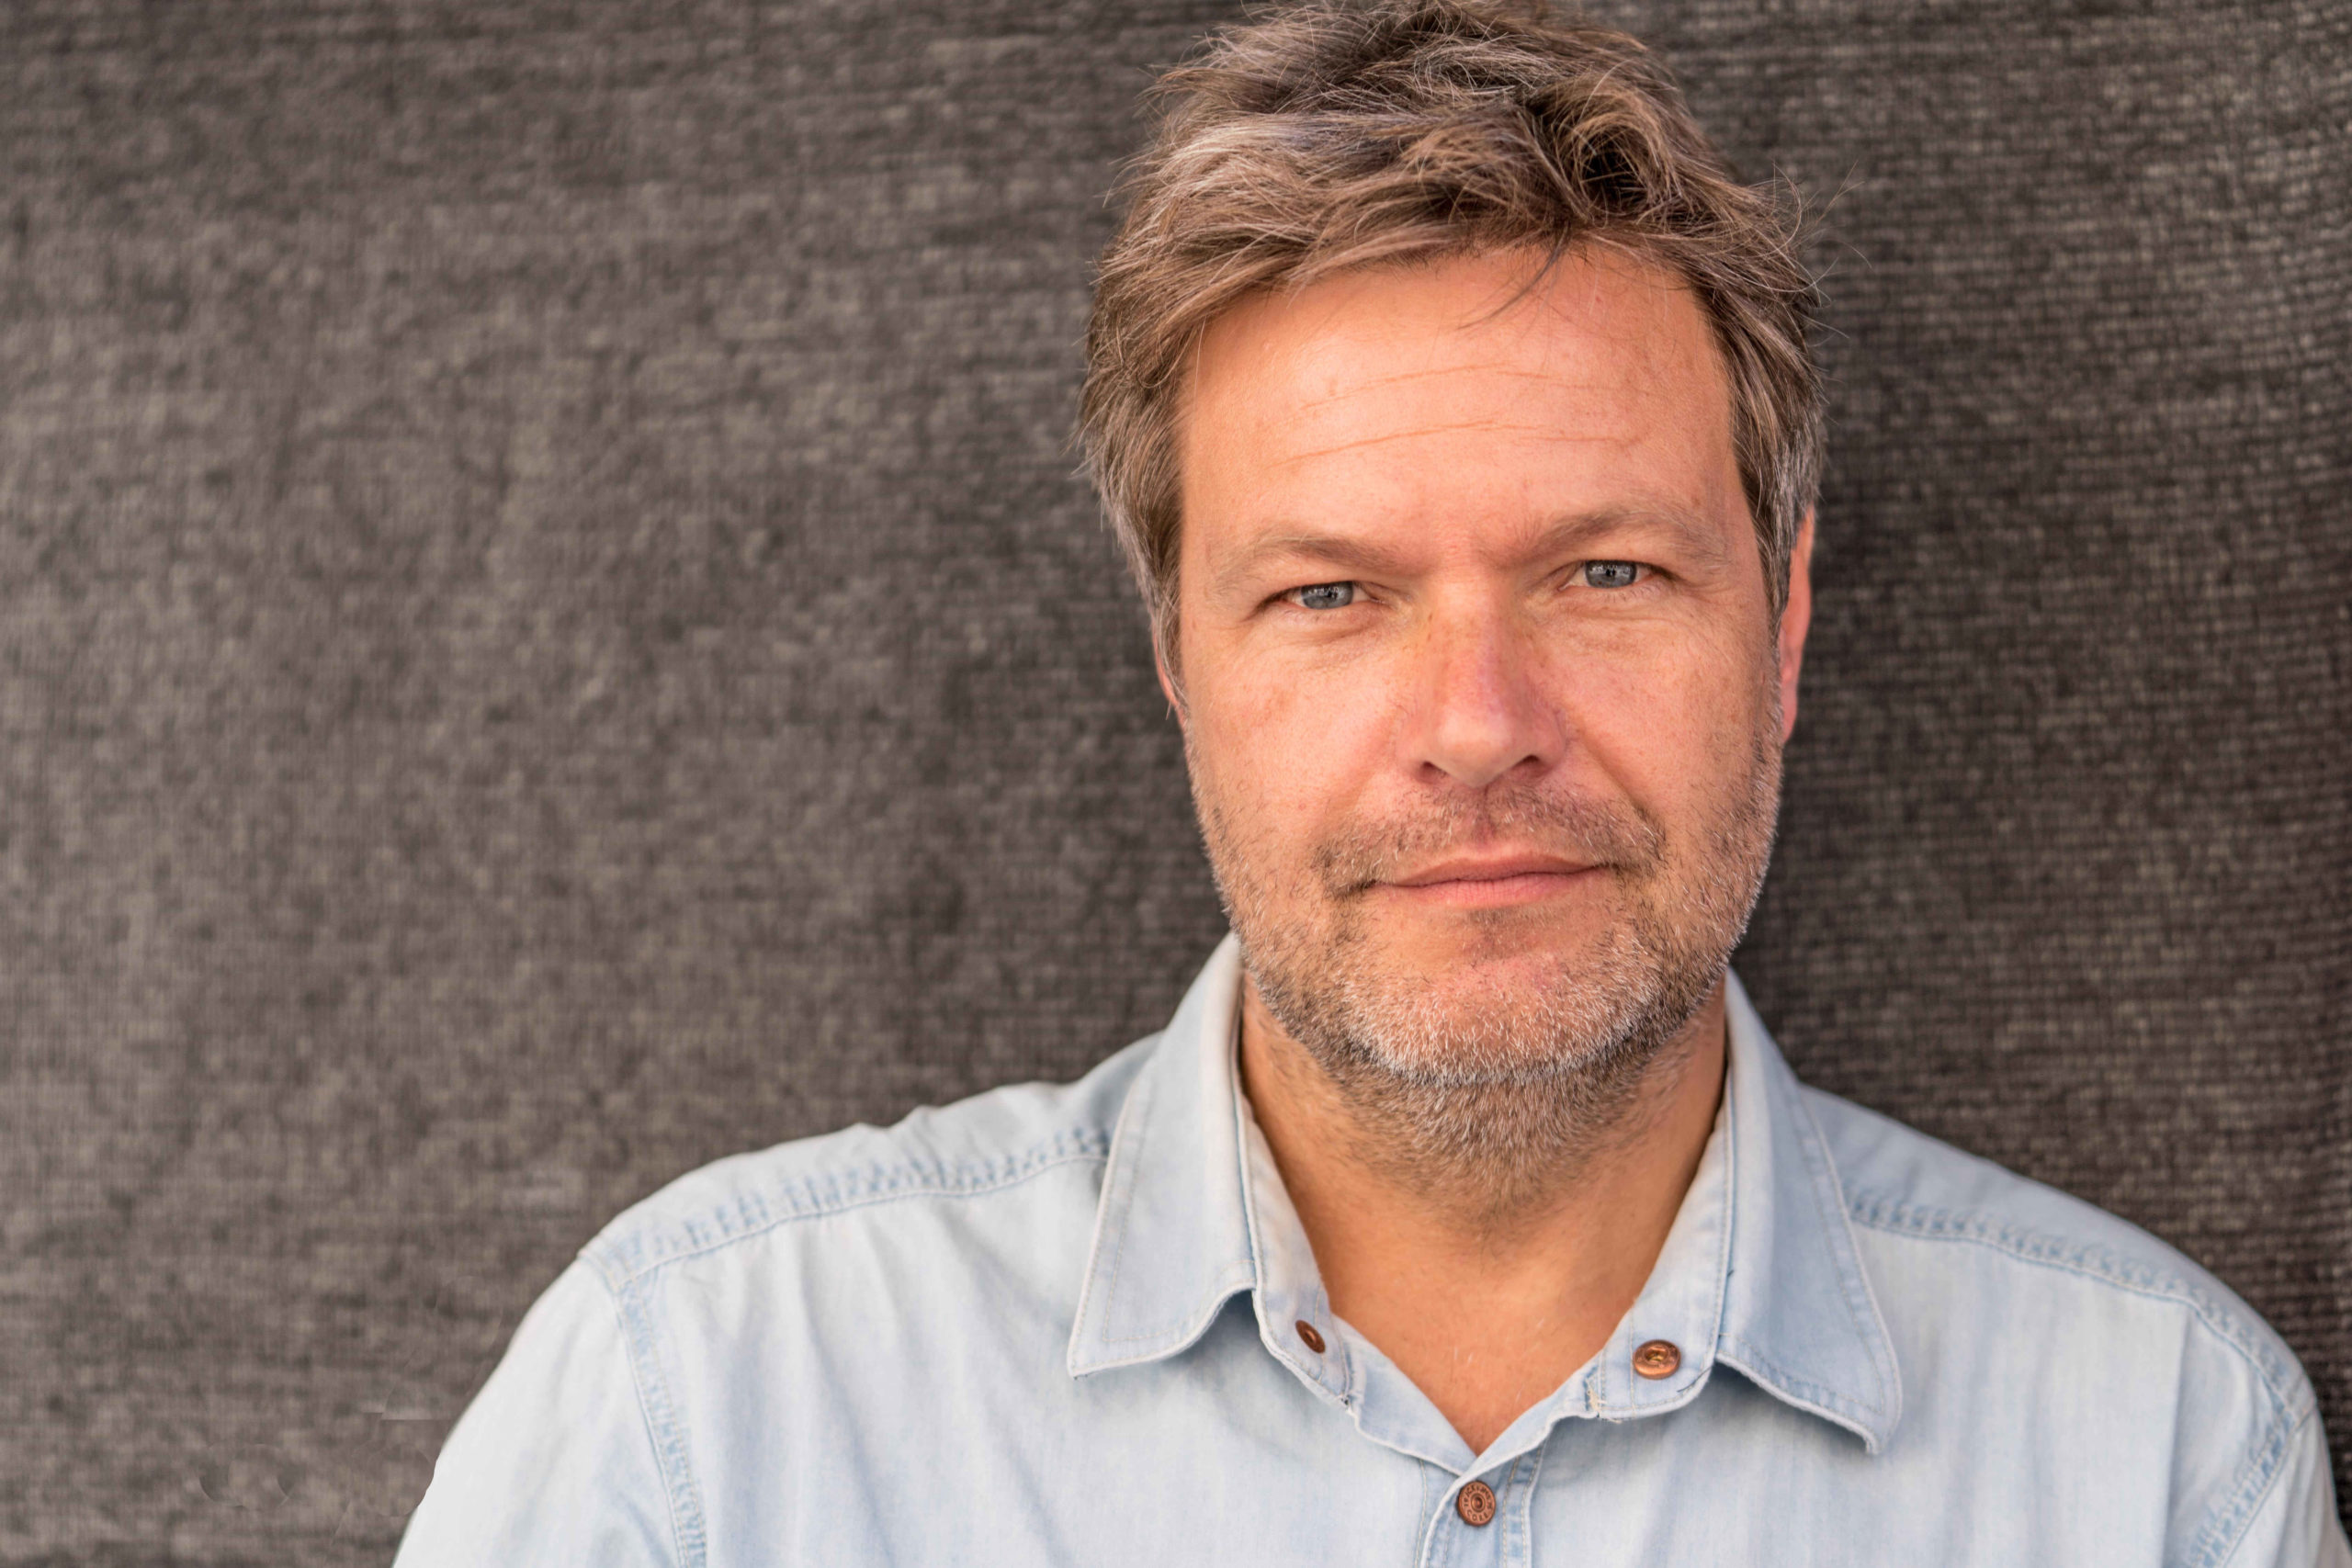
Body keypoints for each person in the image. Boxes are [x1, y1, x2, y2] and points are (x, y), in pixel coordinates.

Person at [394, 3, 2349, 1562]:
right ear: (1178, 660)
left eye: (1605, 572)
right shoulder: (707, 1411)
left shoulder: (2160, 1459)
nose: (1478, 721)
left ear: (1783, 623)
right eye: (1329, 592)